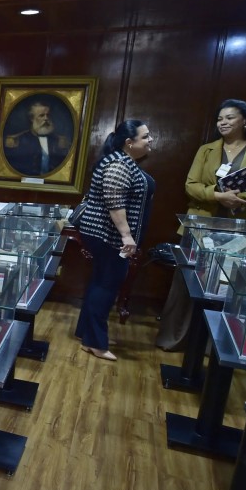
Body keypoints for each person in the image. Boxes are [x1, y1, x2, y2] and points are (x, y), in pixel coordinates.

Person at [157, 99, 246, 350]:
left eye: (230, 118)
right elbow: (191, 185)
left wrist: (238, 199)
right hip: (201, 225)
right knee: (187, 283)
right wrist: (218, 196)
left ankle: (216, 348)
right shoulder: (207, 150)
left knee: (229, 288)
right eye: (220, 118)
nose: (223, 122)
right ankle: (174, 339)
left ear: (244, 120)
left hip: (239, 229)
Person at [75, 120, 155, 361]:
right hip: (107, 235)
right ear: (129, 142)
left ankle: (88, 333)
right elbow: (114, 202)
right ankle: (95, 342)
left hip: (105, 234)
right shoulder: (118, 164)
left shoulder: (122, 161)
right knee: (107, 284)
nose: (150, 140)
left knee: (101, 281)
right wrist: (126, 235)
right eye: (145, 136)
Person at [4, 100, 72, 176]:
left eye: (48, 115)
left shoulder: (61, 141)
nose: (46, 118)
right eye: (41, 115)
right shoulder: (17, 140)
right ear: (31, 118)